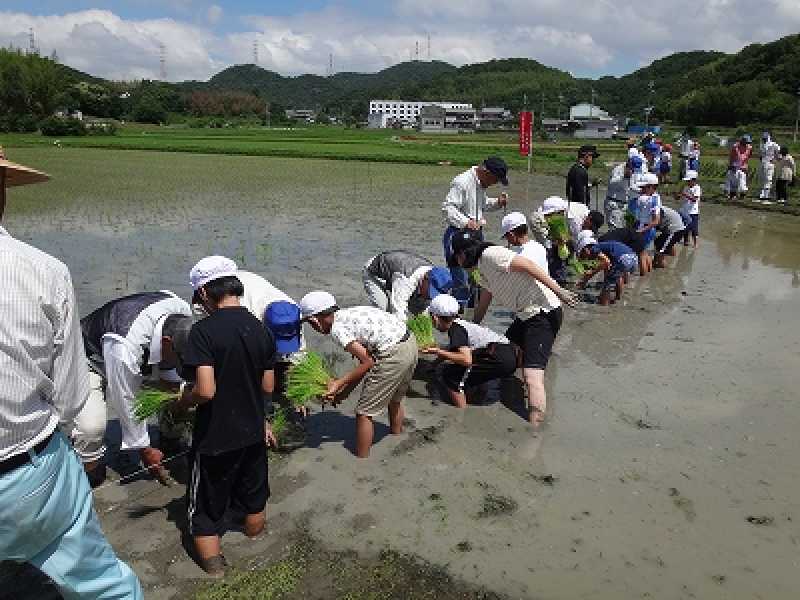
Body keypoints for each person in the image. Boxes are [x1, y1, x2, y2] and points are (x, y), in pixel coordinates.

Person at [0, 148, 143, 598]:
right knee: (101, 584)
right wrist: (101, 451)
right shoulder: (42, 271)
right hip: (27, 474)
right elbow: (71, 398)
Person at [172, 256, 277, 576]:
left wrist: (181, 402)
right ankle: (253, 534)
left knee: (204, 503)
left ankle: (215, 567)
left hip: (216, 435)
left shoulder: (202, 332)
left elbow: (206, 390)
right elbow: (268, 385)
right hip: (253, 432)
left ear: (204, 293)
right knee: (253, 493)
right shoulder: (260, 328)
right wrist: (262, 419)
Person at [450, 230, 578, 426]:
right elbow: (486, 297)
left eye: (457, 258)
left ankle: (535, 430)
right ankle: (508, 389)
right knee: (505, 353)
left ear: (463, 254)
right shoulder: (481, 269)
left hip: (542, 312)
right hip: (524, 315)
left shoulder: (491, 254)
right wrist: (473, 325)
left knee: (532, 376)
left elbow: (528, 265)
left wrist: (559, 290)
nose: (458, 263)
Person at [78, 290, 193, 485]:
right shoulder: (126, 345)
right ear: (166, 342)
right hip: (88, 359)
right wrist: (145, 450)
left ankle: (170, 437)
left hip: (140, 356)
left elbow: (174, 381)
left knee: (180, 392)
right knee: (91, 428)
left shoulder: (182, 313)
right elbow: (125, 399)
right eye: (179, 359)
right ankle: (87, 470)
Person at [299, 291, 417, 458]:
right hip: (409, 344)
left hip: (393, 354)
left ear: (314, 321)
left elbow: (369, 362)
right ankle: (396, 437)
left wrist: (338, 384)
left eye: (310, 324)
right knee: (394, 400)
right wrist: (345, 392)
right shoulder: (349, 315)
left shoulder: (337, 330)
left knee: (363, 413)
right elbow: (365, 363)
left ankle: (361, 462)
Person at [423, 294, 517, 408]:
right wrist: (434, 364)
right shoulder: (461, 324)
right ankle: (479, 394)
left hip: (498, 356)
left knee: (450, 375)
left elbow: (466, 360)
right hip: (509, 353)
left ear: (435, 318)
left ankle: (461, 411)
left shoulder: (456, 330)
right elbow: (452, 349)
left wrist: (437, 351)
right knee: (465, 372)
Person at [234, 270, 304, 414]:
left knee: (283, 367)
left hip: (255, 288)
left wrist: (298, 395)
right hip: (236, 287)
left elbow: (299, 356)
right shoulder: (247, 314)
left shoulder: (294, 313)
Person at [442, 157, 509, 303]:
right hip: (458, 236)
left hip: (476, 236)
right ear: (486, 172)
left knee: (478, 282)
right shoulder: (462, 182)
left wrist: (498, 202)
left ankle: (471, 317)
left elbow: (482, 205)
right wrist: (466, 222)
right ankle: (454, 316)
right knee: (462, 283)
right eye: (495, 179)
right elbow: (448, 208)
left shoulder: (480, 185)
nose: (495, 183)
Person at [362, 250, 453, 321]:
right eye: (430, 291)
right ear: (425, 278)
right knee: (384, 308)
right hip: (375, 274)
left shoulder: (436, 274)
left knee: (423, 315)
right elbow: (398, 310)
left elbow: (427, 311)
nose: (430, 296)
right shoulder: (406, 279)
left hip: (399, 277)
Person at [574, 231, 638, 306]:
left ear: (585, 249)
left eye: (582, 255)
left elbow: (606, 262)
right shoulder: (603, 247)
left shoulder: (594, 248)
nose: (586, 258)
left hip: (623, 259)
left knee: (607, 284)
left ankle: (604, 306)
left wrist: (592, 273)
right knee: (617, 276)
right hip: (634, 258)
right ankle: (617, 299)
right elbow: (608, 264)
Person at [633, 172, 662, 250]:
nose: (641, 189)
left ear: (651, 187)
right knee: (641, 253)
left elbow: (656, 221)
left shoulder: (654, 200)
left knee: (642, 254)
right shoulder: (646, 196)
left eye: (643, 187)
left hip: (646, 230)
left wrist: (641, 230)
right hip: (640, 226)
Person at [676, 170, 701, 247]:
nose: (687, 182)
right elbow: (678, 198)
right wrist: (677, 195)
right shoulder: (685, 187)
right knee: (685, 228)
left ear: (694, 180)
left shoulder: (697, 188)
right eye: (687, 181)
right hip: (685, 210)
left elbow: (694, 199)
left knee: (694, 228)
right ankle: (686, 242)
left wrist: (685, 194)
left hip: (693, 212)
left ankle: (695, 243)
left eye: (689, 181)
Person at [758, 132, 781, 202]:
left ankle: (766, 195)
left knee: (768, 179)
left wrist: (776, 159)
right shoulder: (762, 145)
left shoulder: (774, 144)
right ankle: (762, 195)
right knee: (762, 179)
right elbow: (761, 155)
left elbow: (779, 152)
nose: (764, 139)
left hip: (769, 163)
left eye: (765, 138)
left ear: (768, 137)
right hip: (763, 163)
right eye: (763, 138)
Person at [729, 135, 753, 200]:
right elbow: (732, 157)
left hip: (743, 166)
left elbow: (748, 156)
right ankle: (733, 194)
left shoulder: (749, 148)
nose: (747, 144)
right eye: (746, 142)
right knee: (734, 180)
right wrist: (731, 165)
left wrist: (746, 166)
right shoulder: (735, 147)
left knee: (742, 180)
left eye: (748, 143)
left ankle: (742, 194)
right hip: (735, 165)